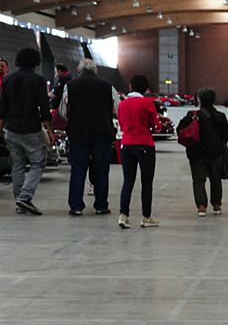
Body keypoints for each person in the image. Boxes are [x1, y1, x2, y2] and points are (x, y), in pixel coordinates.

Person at [60, 58, 120, 215]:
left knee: (78, 170)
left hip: (78, 133)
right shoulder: (108, 87)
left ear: (79, 71)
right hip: (103, 133)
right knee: (101, 170)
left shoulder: (70, 86)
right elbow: (117, 109)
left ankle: (76, 206)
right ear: (95, 71)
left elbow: (63, 112)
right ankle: (101, 205)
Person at [0, 47, 54, 215]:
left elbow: (2, 109)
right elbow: (45, 110)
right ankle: (24, 197)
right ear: (36, 62)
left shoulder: (8, 80)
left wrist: (0, 129)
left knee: (17, 166)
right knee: (38, 163)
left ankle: (19, 204)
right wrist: (50, 130)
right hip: (31, 129)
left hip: (12, 129)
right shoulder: (38, 80)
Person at [116, 74, 162, 229]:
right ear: (146, 89)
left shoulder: (122, 105)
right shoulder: (147, 104)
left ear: (130, 87)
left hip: (126, 144)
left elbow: (121, 125)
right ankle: (146, 216)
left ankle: (123, 215)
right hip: (144, 144)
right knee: (146, 182)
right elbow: (156, 126)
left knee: (127, 181)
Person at [178, 87, 228, 217]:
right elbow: (226, 134)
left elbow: (180, 130)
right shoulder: (220, 116)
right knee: (216, 179)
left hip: (197, 154)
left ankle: (201, 206)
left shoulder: (192, 116)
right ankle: (217, 205)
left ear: (199, 101)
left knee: (198, 180)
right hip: (216, 153)